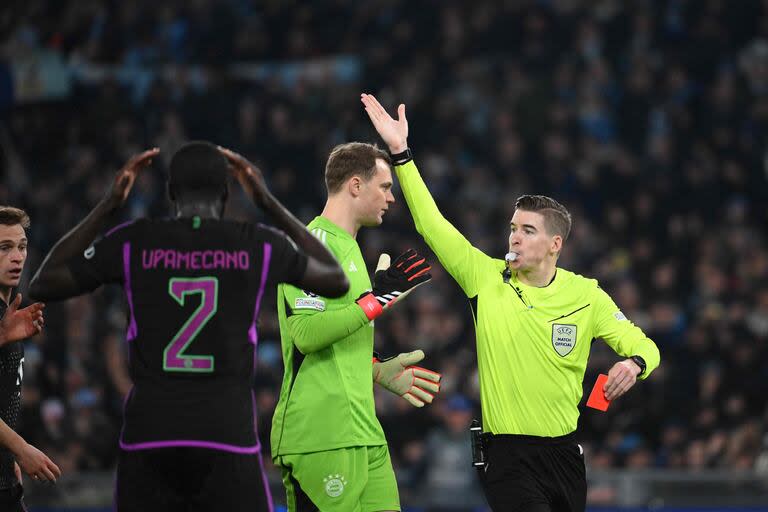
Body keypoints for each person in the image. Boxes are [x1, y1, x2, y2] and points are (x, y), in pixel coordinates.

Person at [361, 93, 661, 512]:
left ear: (555, 244)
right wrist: (400, 153)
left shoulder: (586, 295)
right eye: (512, 227)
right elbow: (432, 224)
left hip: (565, 457)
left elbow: (645, 346)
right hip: (506, 458)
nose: (514, 237)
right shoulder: (485, 278)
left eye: (528, 230)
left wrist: (633, 364)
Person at [29, 142, 349, 512]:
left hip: (150, 435)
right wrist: (267, 203)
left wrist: (108, 206)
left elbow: (44, 282)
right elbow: (336, 279)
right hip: (226, 434)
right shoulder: (255, 244)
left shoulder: (136, 241)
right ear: (228, 193)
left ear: (170, 193)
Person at [271, 142, 441, 512]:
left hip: (363, 430)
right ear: (355, 185)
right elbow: (306, 335)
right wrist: (376, 300)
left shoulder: (349, 249)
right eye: (385, 186)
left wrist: (376, 370)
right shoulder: (309, 246)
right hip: (321, 435)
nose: (391, 198)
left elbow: (341, 336)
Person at [0, 206, 60, 512]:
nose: (17, 257)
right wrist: (20, 449)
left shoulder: (8, 313)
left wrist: (6, 456)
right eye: (5, 248)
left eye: (21, 247)